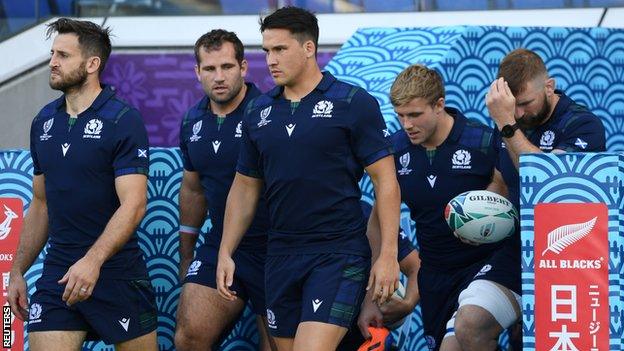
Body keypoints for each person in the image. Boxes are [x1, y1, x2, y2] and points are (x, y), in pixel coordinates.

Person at [216, 6, 401, 350]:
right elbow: (244, 187)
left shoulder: (353, 103)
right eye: (266, 50)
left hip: (338, 252)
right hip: (281, 254)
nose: (270, 59)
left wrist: (387, 254)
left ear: (308, 48)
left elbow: (386, 182)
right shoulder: (258, 111)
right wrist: (226, 250)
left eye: (280, 49)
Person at [7, 18, 157, 350]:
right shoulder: (44, 121)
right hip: (59, 270)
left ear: (92, 64)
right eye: (52, 53)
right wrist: (17, 270)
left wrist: (93, 261)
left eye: (63, 55)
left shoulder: (123, 120)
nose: (52, 62)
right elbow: (41, 203)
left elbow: (134, 205)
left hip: (116, 272)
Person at [451, 48, 606, 351]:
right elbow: (500, 182)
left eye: (525, 104)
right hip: (518, 249)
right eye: (513, 106)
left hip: (572, 256)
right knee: (469, 325)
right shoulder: (508, 120)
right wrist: (478, 219)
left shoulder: (581, 124)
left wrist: (507, 125)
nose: (519, 114)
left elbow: (549, 181)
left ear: (549, 86)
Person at [365, 64, 507, 351]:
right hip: (434, 274)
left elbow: (506, 192)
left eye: (415, 115)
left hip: (484, 268)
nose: (407, 125)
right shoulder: (395, 150)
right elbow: (377, 223)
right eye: (400, 116)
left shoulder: (481, 142)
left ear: (439, 105)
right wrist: (374, 292)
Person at [174, 29, 274, 351]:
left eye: (227, 67)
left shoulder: (269, 112)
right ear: (197, 72)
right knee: (189, 338)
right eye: (209, 69)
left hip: (276, 246)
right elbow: (192, 190)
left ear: (244, 68)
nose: (219, 77)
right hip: (220, 245)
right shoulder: (192, 120)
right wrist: (187, 253)